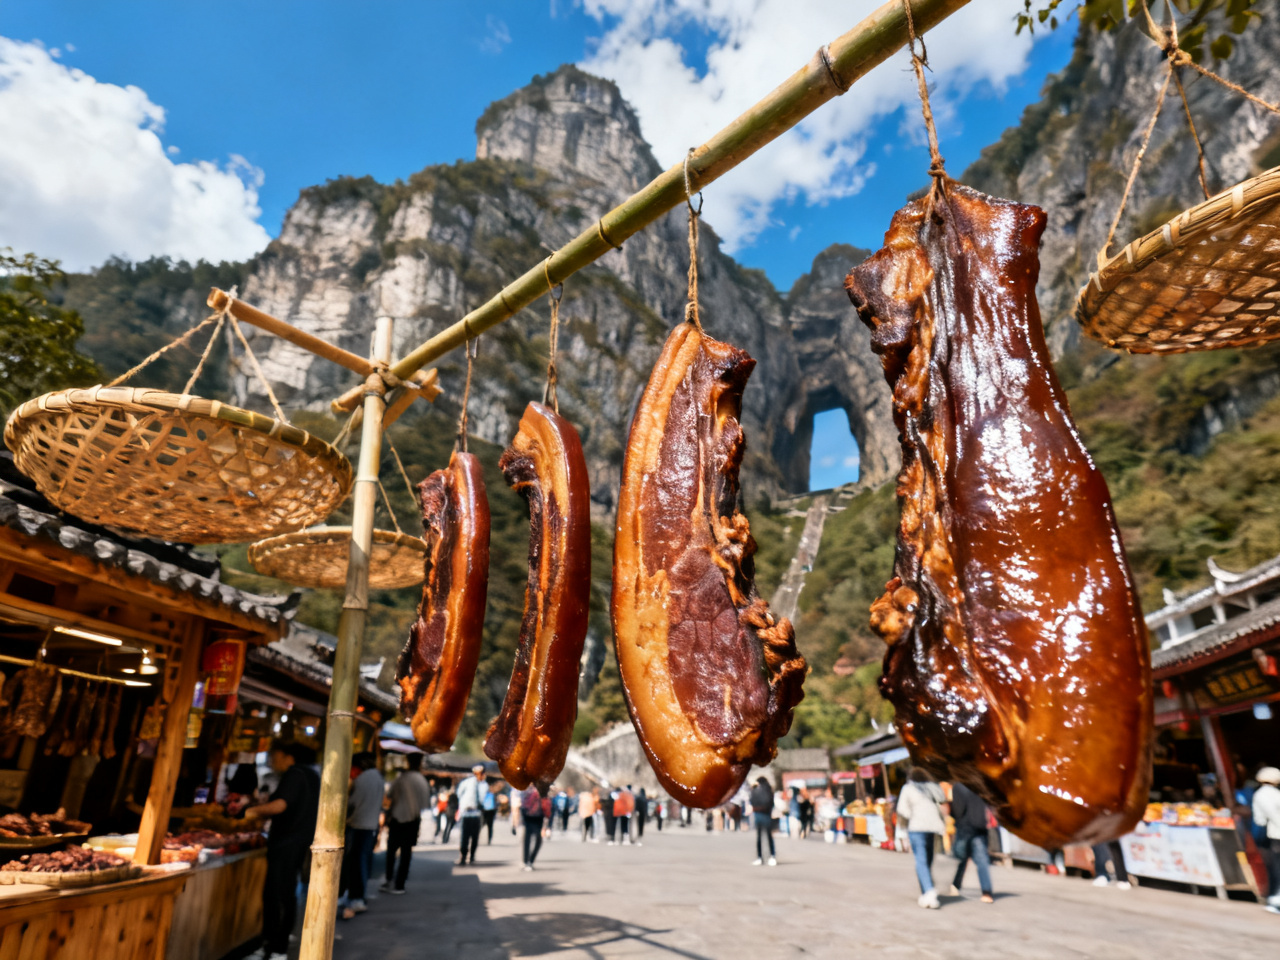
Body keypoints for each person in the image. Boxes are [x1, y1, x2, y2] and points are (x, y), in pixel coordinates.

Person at [245, 741, 319, 960]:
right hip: (297, 842)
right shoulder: (312, 775)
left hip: (286, 843)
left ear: (288, 756)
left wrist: (250, 811)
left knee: (278, 895)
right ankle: (273, 945)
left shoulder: (295, 774)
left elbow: (280, 805)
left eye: (275, 755)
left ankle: (277, 948)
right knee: (283, 894)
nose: (272, 760)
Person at [340, 752, 384, 920]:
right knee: (363, 862)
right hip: (370, 826)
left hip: (359, 825)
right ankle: (357, 896)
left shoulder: (362, 779)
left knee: (356, 863)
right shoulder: (378, 777)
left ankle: (356, 898)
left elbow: (352, 803)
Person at [897, 768, 948, 909]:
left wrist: (910, 816)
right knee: (928, 860)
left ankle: (929, 890)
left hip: (916, 827)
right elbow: (942, 798)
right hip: (932, 827)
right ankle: (926, 892)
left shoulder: (908, 788)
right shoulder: (933, 787)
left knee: (921, 860)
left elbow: (902, 809)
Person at [382, 753, 431, 894]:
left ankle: (388, 880)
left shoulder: (401, 779)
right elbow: (425, 803)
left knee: (391, 852)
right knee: (406, 853)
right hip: (413, 820)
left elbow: (389, 796)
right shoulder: (421, 780)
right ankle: (400, 884)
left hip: (397, 819)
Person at [948, 782, 995, 903]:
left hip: (965, 827)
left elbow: (958, 810)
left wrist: (950, 809)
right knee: (982, 860)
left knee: (961, 858)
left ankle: (955, 886)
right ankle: (986, 892)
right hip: (980, 826)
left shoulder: (958, 786)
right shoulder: (980, 785)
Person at [1253, 765, 1280, 913]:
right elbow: (1273, 815)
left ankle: (1274, 897)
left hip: (1273, 833)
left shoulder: (1263, 793)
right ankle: (1274, 898)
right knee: (1275, 866)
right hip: (1272, 834)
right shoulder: (1267, 794)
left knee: (1275, 866)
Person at [455, 764, 489, 866]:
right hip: (466, 813)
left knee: (475, 837)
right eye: (480, 773)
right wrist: (463, 805)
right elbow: (459, 793)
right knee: (464, 837)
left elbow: (482, 799)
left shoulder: (484, 785)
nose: (482, 775)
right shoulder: (467, 782)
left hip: (476, 814)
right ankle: (463, 856)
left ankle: (472, 856)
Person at [749, 776, 776, 866]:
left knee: (759, 837)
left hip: (758, 814)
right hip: (767, 814)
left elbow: (751, 801)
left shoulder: (755, 790)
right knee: (769, 837)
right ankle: (772, 856)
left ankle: (759, 857)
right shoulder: (769, 790)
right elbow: (771, 803)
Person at [520, 786, 545, 870]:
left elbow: (522, 805)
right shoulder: (540, 790)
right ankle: (529, 861)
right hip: (535, 818)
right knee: (536, 840)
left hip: (531, 818)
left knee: (529, 840)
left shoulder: (526, 790)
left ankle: (527, 861)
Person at [481, 778, 498, 844]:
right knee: (489, 827)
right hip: (490, 811)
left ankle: (488, 839)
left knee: (482, 825)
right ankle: (489, 840)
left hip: (486, 811)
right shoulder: (492, 794)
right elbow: (495, 804)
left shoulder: (485, 793)